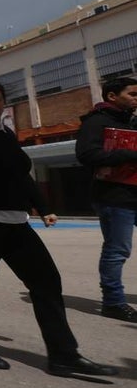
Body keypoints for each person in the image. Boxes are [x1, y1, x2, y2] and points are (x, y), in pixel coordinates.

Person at [0, 78, 118, 377]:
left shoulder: (5, 134)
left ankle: (63, 355)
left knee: (47, 281)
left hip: (16, 220)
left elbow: (22, 175)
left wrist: (43, 208)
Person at [75, 76, 137, 322]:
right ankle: (113, 301)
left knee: (117, 249)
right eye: (132, 94)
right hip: (114, 197)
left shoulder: (131, 122)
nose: (136, 98)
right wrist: (128, 153)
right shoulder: (96, 122)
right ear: (112, 96)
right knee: (117, 249)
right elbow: (86, 154)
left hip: (134, 192)